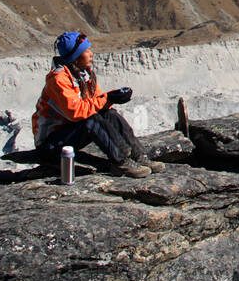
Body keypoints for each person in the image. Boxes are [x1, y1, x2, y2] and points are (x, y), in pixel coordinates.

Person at [32, 31, 163, 178]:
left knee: (110, 114)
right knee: (90, 121)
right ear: (75, 56)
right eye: (86, 51)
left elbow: (97, 102)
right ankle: (120, 162)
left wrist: (113, 98)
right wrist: (108, 98)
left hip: (67, 135)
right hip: (50, 145)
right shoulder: (58, 80)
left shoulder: (82, 74)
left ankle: (138, 155)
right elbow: (76, 112)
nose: (91, 54)